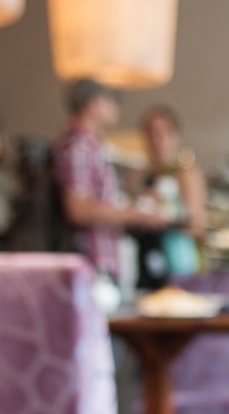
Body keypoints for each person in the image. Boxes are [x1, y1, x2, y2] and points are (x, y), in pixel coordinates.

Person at [53, 77, 166, 283]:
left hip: (99, 261)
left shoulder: (93, 146)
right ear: (94, 103)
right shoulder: (79, 146)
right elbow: (78, 210)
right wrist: (135, 214)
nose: (117, 108)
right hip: (88, 261)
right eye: (112, 100)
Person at [132, 105, 207, 289]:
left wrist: (164, 217)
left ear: (175, 136)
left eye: (163, 133)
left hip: (178, 261)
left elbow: (198, 225)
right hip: (146, 259)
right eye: (151, 134)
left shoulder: (185, 174)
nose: (157, 141)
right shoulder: (140, 176)